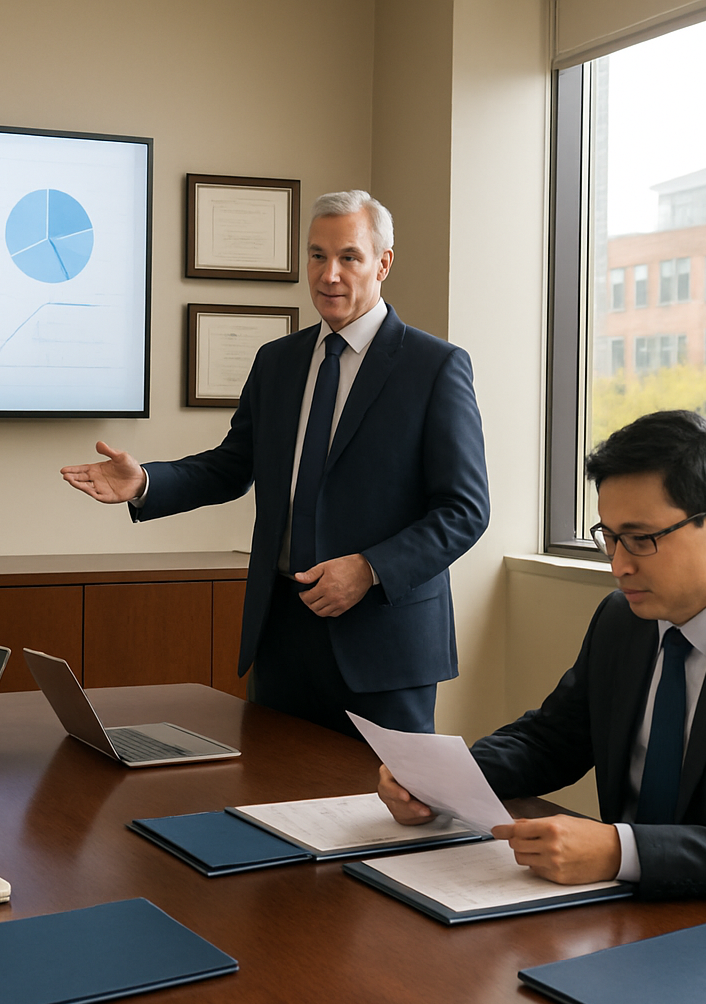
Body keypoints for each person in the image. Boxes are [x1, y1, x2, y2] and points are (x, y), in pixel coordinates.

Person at [378, 410, 706, 913]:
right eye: (611, 537)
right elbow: (553, 739)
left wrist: (621, 851)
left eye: (642, 539)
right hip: (637, 910)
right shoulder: (625, 618)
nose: (619, 565)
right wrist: (444, 779)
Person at [61, 190, 489, 735]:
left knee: (382, 811)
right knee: (273, 804)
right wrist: (146, 481)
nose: (329, 274)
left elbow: (464, 510)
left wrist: (368, 569)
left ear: (382, 263)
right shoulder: (278, 362)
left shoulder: (435, 367)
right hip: (282, 633)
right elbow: (229, 467)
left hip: (382, 643)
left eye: (349, 257)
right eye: (316, 256)